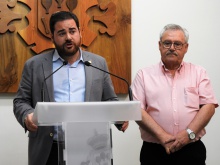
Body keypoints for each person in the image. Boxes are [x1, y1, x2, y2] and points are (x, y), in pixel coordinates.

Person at [13, 11, 128, 165]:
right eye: (61, 33)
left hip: (89, 147)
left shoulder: (98, 63)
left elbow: (109, 99)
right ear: (52, 37)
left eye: (72, 31)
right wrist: (27, 115)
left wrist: (119, 118)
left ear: (80, 32)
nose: (68, 37)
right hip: (49, 148)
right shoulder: (34, 65)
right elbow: (20, 101)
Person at [131, 24, 218, 165]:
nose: (172, 48)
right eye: (167, 43)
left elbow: (208, 106)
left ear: (186, 48)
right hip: (154, 152)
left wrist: (188, 134)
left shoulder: (199, 72)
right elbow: (136, 109)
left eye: (177, 44)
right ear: (159, 45)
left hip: (191, 150)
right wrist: (162, 136)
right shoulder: (143, 75)